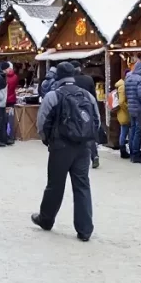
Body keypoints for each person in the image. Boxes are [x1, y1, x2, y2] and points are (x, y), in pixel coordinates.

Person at [30, 62, 97, 242]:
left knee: (55, 185)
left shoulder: (53, 96)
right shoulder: (87, 95)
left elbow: (42, 123)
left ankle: (46, 219)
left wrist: (48, 140)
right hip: (83, 147)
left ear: (58, 76)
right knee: (82, 185)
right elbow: (96, 121)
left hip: (60, 146)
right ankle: (85, 229)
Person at [70, 61, 100, 168]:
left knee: (74, 130)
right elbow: (93, 96)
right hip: (87, 108)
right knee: (88, 131)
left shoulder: (70, 81)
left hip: (73, 109)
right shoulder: (88, 79)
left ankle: (76, 155)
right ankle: (94, 155)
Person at [124, 60, 141, 163]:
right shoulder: (140, 80)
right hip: (139, 109)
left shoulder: (128, 78)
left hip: (131, 107)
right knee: (138, 131)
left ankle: (132, 153)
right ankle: (136, 154)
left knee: (133, 130)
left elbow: (126, 94)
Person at [114, 71, 131, 159]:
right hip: (124, 112)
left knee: (124, 131)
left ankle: (123, 150)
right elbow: (121, 102)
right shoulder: (123, 86)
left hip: (122, 112)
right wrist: (128, 109)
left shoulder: (122, 85)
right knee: (124, 131)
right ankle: (123, 151)